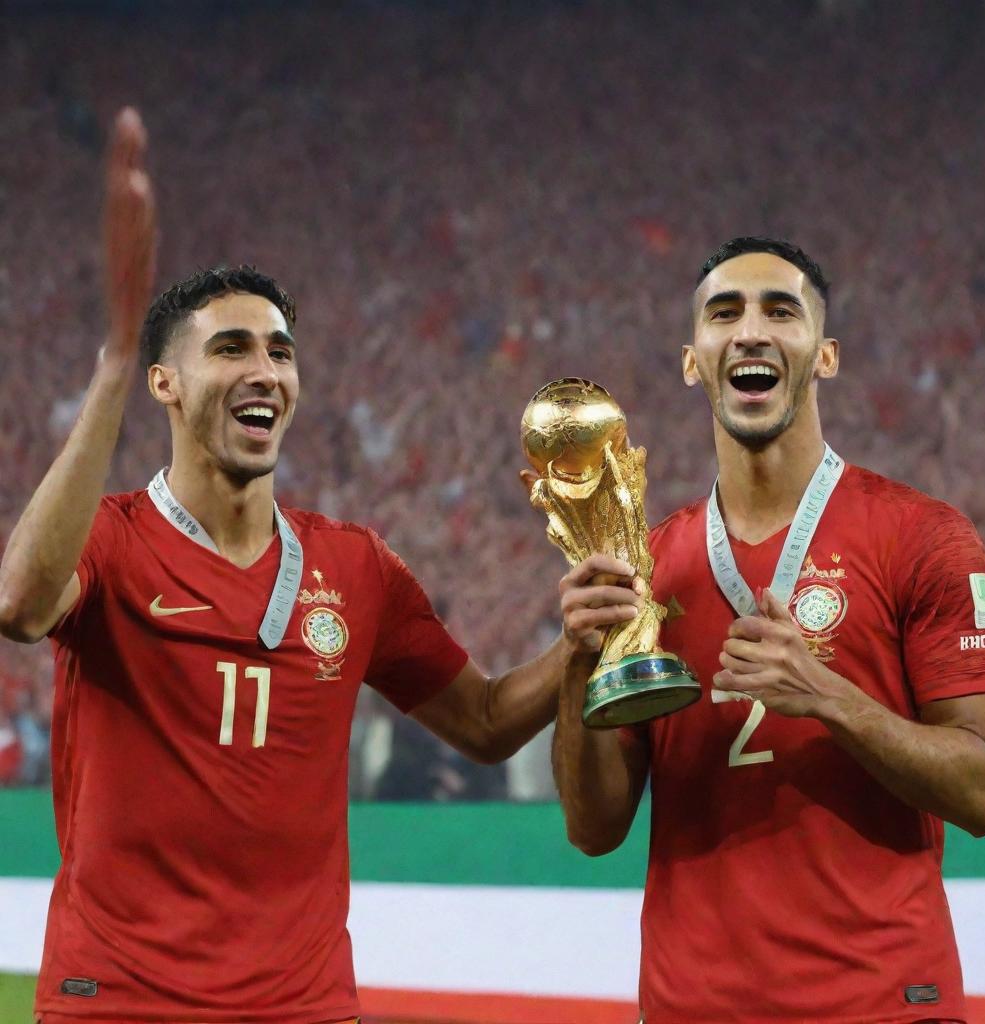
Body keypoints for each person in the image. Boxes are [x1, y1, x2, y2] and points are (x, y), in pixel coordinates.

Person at [0, 109, 570, 1024]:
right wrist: (114, 356)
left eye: (281, 351)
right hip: (120, 1001)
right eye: (230, 349)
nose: (266, 369)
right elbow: (21, 604)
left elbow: (490, 722)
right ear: (166, 383)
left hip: (302, 1006)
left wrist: (582, 640)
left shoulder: (357, 567)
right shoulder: (109, 540)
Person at [553, 236, 985, 1024]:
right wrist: (579, 661)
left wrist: (830, 697)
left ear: (824, 356)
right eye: (724, 313)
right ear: (694, 360)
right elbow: (595, 828)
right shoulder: (648, 567)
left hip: (882, 1003)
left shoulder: (923, 537)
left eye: (781, 311)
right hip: (691, 1007)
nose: (751, 331)